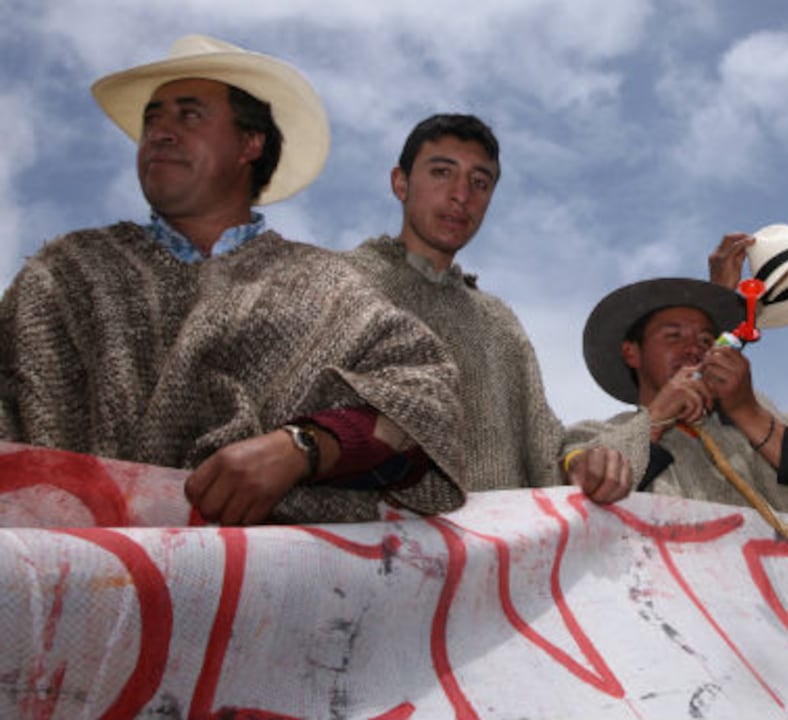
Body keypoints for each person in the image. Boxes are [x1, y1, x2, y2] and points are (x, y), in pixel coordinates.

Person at [0, 35, 466, 525]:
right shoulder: (65, 274)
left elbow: (427, 401)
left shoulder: (328, 286)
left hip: (279, 592)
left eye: (189, 115)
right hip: (70, 583)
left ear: (251, 142)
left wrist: (304, 447)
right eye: (152, 119)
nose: (160, 133)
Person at [345, 114, 629, 503]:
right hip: (363, 550)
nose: (462, 195)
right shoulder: (341, 282)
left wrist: (578, 460)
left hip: (492, 559)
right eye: (442, 172)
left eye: (480, 183)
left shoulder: (498, 322)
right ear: (401, 182)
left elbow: (543, 441)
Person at [564, 278, 788, 523]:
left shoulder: (779, 425)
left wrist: (747, 411)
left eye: (707, 341)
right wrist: (655, 419)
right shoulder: (592, 436)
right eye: (673, 336)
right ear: (631, 352)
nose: (694, 349)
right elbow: (574, 502)